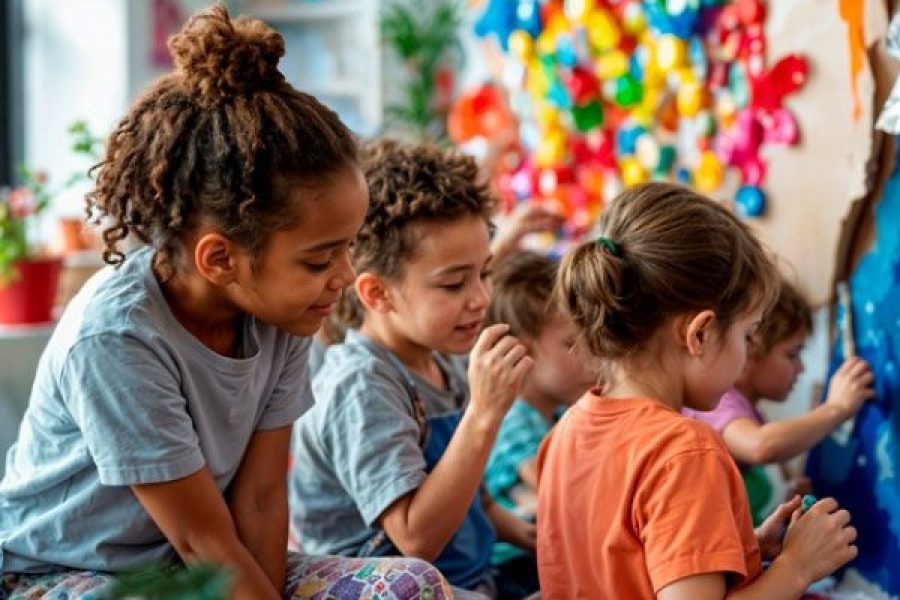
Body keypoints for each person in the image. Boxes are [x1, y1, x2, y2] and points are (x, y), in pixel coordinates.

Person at [0, 7, 449, 600]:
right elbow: (200, 541)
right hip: (58, 573)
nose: (343, 275)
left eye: (347, 250)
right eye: (319, 259)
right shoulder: (116, 339)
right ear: (220, 260)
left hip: (198, 565)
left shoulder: (284, 312)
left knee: (411, 586)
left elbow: (261, 502)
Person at [537, 182, 858, 600]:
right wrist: (797, 569)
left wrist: (742, 548)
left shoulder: (565, 433)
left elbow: (631, 566)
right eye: (748, 334)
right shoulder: (685, 452)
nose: (746, 352)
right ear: (700, 333)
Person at [290, 140, 537, 598]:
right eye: (453, 283)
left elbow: (472, 499)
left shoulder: (442, 358)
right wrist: (484, 414)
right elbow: (415, 540)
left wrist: (529, 537)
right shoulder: (360, 385)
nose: (481, 298)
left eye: (484, 273)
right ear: (378, 294)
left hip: (466, 581)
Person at [683, 279, 874, 525]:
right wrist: (837, 408)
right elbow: (760, 445)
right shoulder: (716, 401)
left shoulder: (744, 410)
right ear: (751, 347)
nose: (801, 368)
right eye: (792, 354)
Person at [482, 251, 598, 592]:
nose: (593, 359)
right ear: (521, 351)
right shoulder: (513, 416)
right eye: (573, 344)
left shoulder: (560, 413)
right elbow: (560, 489)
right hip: (515, 567)